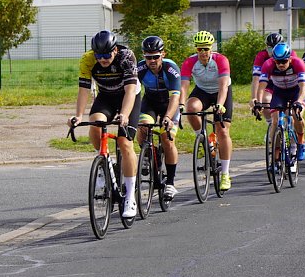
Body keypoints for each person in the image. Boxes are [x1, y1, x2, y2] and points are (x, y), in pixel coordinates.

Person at [69, 30, 141, 218]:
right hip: (106, 97)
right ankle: (103, 165)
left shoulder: (127, 57)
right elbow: (84, 88)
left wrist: (124, 114)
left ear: (115, 50)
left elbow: (130, 90)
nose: (102, 60)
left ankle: (130, 196)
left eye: (106, 55)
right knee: (95, 124)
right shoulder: (88, 59)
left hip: (128, 96)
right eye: (98, 56)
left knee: (125, 143)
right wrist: (77, 115)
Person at [180, 30, 234, 191]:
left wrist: (220, 105)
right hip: (202, 90)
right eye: (199, 49)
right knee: (191, 108)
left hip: (220, 92)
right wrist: (181, 104)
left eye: (206, 49)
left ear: (211, 48)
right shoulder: (190, 62)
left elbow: (224, 85)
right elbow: (184, 86)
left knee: (222, 131)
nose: (203, 52)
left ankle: (225, 174)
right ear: (196, 49)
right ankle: (202, 139)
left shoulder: (221, 60)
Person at [136, 36, 182, 199]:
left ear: (163, 54)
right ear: (144, 56)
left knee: (167, 139)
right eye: (148, 57)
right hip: (150, 102)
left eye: (156, 56)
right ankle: (149, 154)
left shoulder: (171, 68)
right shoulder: (140, 69)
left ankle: (170, 183)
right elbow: (131, 91)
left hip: (169, 104)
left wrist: (169, 117)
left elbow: (176, 97)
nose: (152, 60)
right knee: (142, 127)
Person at [254, 43, 305, 163]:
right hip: (279, 93)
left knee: (296, 115)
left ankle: (300, 141)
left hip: (296, 92)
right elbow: (261, 86)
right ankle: (276, 150)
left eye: (284, 61)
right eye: (278, 62)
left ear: (289, 58)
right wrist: (258, 102)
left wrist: (299, 101)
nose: (281, 65)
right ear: (274, 60)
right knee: (275, 120)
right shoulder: (268, 65)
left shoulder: (298, 63)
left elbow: (304, 86)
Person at [249, 32, 286, 119]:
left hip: (287, 83)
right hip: (270, 84)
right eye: (269, 48)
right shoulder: (261, 56)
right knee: (265, 101)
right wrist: (254, 98)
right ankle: (270, 125)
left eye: (275, 47)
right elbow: (256, 78)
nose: (272, 51)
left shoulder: (289, 53)